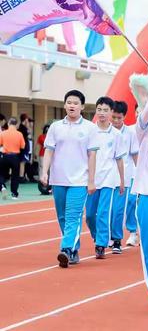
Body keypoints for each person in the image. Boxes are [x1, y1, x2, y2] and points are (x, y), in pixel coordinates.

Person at [41, 90, 99, 267]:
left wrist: (91, 180)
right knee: (62, 217)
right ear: (64, 105)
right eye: (69, 102)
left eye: (75, 102)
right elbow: (49, 151)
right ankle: (73, 250)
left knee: (73, 216)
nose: (72, 105)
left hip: (79, 181)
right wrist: (45, 172)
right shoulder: (56, 127)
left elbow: (92, 155)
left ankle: (66, 249)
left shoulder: (90, 128)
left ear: (82, 106)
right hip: (58, 179)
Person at [85, 97, 126, 259]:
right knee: (89, 215)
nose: (102, 113)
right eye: (99, 109)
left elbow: (119, 159)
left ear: (111, 112)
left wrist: (122, 181)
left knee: (103, 212)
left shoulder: (116, 135)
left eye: (105, 110)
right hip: (90, 178)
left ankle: (101, 244)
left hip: (109, 179)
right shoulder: (89, 131)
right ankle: (97, 235)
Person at [111, 101, 139, 250]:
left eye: (118, 118)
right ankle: (104, 235)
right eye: (113, 117)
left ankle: (117, 238)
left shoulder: (130, 133)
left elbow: (135, 155)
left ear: (124, 117)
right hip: (105, 178)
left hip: (125, 177)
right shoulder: (103, 132)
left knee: (120, 209)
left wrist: (141, 172)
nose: (115, 121)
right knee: (101, 211)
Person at [0, 118, 25, 200]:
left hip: (5, 156)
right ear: (16, 125)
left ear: (8, 123)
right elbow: (23, 146)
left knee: (1, 174)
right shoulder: (19, 134)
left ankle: (2, 186)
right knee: (15, 176)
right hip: (15, 156)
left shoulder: (3, 133)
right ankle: (14, 194)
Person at [18, 113, 31, 182]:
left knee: (22, 162)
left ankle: (21, 176)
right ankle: (21, 177)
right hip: (24, 147)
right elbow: (29, 135)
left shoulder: (20, 127)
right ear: (25, 119)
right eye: (27, 119)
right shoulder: (23, 128)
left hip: (22, 147)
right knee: (22, 162)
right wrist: (28, 126)